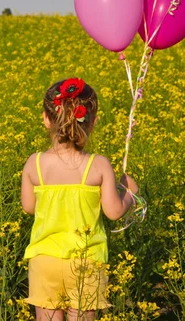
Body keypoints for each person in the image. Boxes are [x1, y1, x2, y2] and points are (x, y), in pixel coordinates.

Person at [21, 78, 139, 321]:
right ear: (93, 122)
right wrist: (129, 192)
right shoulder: (98, 165)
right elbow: (114, 211)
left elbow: (28, 207)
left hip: (45, 261)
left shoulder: (34, 163)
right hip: (86, 263)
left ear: (45, 118)